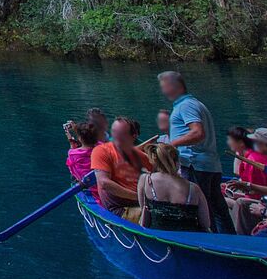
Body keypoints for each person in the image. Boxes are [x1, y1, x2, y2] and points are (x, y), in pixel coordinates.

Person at [160, 71, 229, 232]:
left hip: (195, 164)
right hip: (208, 163)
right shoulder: (193, 103)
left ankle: (212, 243)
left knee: (200, 207)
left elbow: (198, 133)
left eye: (165, 87)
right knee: (217, 208)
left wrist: (171, 144)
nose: (163, 91)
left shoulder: (187, 105)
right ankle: (229, 240)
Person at [134, 141, 213, 232]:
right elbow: (206, 223)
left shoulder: (145, 180)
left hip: (156, 236)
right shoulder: (194, 189)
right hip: (186, 240)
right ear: (176, 163)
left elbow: (144, 208)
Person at [91, 117, 146, 211]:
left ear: (135, 136)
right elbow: (104, 183)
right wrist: (140, 197)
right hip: (121, 207)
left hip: (141, 202)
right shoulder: (103, 152)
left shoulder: (141, 153)